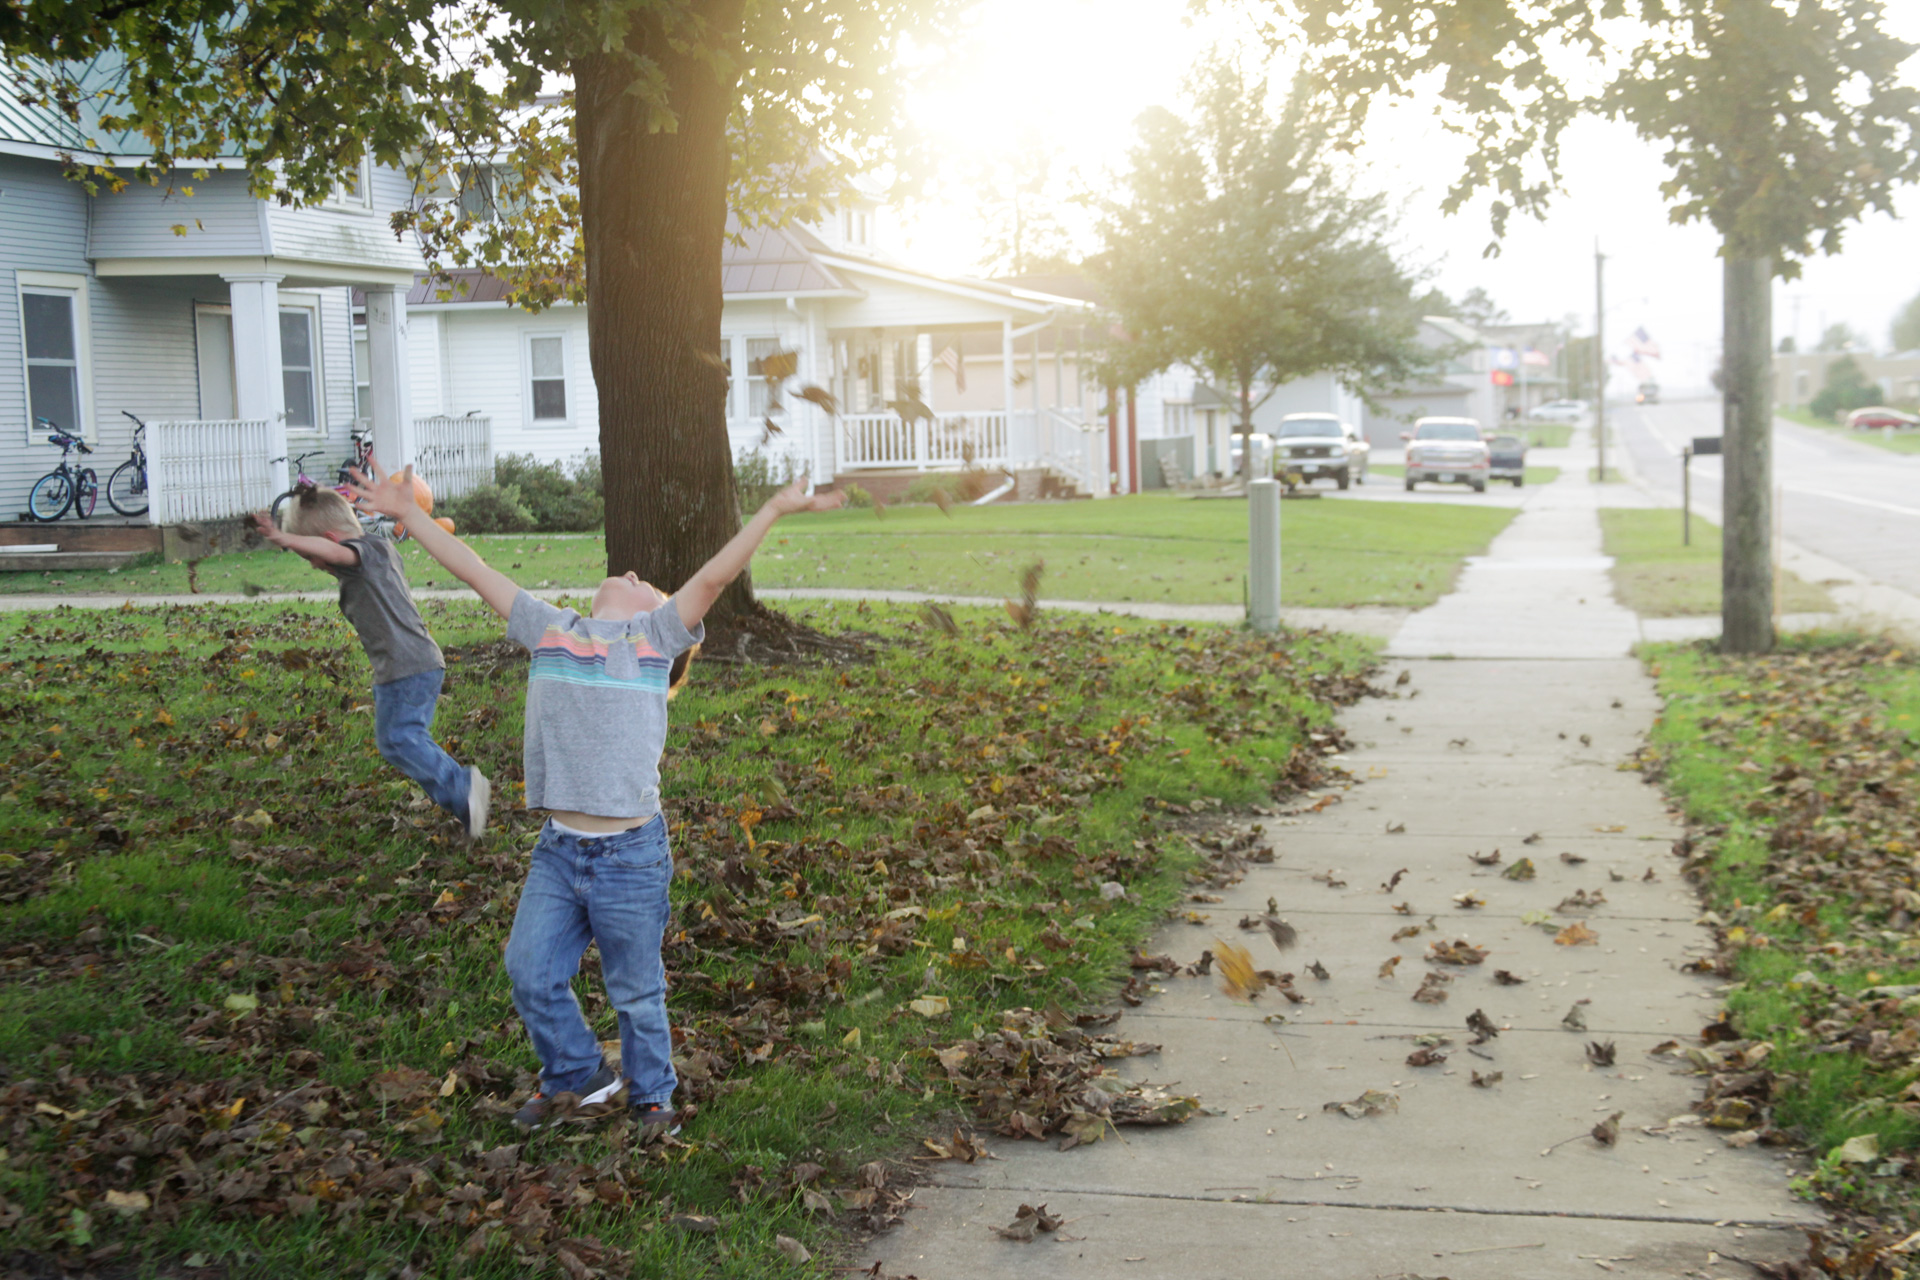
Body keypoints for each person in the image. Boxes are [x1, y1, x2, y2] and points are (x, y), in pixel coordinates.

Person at [347, 461, 843, 1133]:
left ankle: (651, 1097)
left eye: (647, 584)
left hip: (631, 858)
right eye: (633, 576)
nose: (633, 576)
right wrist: (408, 516)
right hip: (559, 852)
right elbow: (472, 570)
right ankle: (579, 1075)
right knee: (529, 970)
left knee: (636, 993)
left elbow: (716, 577)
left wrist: (773, 510)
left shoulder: (652, 642)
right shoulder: (550, 628)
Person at [249, 487, 490, 836]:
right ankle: (463, 800)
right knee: (396, 739)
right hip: (406, 665)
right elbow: (335, 550)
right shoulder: (378, 550)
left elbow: (334, 551)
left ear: (331, 541)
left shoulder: (361, 552)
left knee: (400, 737)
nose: (314, 564)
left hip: (408, 666)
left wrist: (284, 537)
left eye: (310, 556)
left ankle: (462, 787)